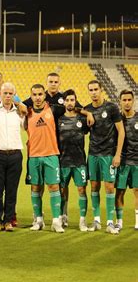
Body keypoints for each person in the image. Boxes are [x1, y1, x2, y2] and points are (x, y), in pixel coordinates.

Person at [26, 84, 68, 233]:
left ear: (44, 95)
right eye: (34, 94)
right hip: (34, 156)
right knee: (36, 187)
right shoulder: (27, 112)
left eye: (40, 94)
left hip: (51, 155)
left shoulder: (54, 109)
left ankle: (56, 221)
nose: (37, 97)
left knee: (54, 187)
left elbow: (72, 107)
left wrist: (87, 113)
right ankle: (38, 220)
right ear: (31, 97)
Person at [84, 80, 124, 235]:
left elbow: (121, 131)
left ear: (101, 90)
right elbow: (76, 108)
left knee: (109, 187)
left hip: (108, 154)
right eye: (91, 90)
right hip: (93, 153)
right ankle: (96, 220)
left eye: (96, 89)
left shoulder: (111, 108)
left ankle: (109, 222)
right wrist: (86, 113)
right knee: (94, 186)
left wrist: (118, 154)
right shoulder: (87, 108)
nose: (93, 92)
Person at [0, 83, 25, 231]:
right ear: (0, 95)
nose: (8, 96)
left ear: (14, 95)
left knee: (11, 190)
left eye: (11, 93)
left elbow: (27, 127)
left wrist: (22, 106)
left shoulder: (20, 112)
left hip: (15, 154)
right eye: (5, 93)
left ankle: (8, 220)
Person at [57, 89, 90, 231]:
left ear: (75, 101)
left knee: (81, 189)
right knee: (62, 190)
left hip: (79, 161)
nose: (70, 102)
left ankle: (82, 221)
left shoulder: (82, 119)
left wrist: (86, 113)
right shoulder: (58, 120)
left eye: (72, 100)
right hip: (63, 161)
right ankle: (63, 215)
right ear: (64, 101)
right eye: (67, 100)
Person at [115, 90, 138, 231]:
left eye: (129, 99)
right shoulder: (117, 120)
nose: (127, 102)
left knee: (137, 191)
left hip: (137, 161)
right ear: (120, 102)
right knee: (120, 192)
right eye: (124, 100)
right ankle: (119, 221)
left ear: (133, 100)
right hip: (122, 162)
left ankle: (137, 221)